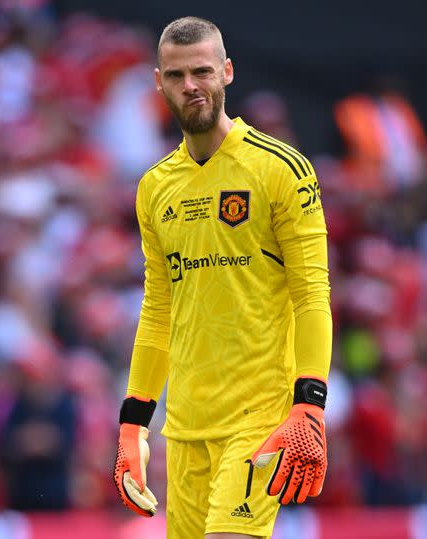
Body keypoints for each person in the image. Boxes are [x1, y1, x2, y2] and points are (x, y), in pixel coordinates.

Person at [113, 17, 333, 539]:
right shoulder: (154, 188)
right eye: (175, 75)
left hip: (258, 419)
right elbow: (159, 310)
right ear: (158, 82)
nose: (190, 86)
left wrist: (310, 405)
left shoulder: (282, 169)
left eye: (202, 72)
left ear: (227, 73)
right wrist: (132, 422)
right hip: (186, 428)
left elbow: (312, 294)